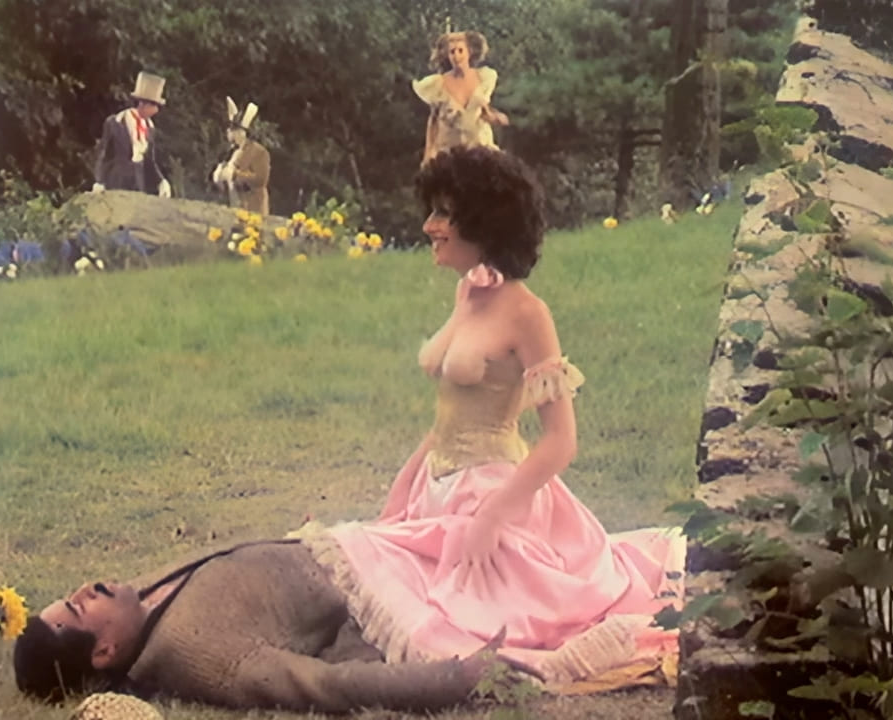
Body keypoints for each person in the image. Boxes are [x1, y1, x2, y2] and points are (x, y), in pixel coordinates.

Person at [289, 145, 687, 689]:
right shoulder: (467, 293)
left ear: (483, 222)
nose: (429, 226)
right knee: (367, 561)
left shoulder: (528, 313)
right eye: (431, 211)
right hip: (438, 484)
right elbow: (449, 417)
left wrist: (492, 517)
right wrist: (405, 484)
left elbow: (561, 440)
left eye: (443, 214)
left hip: (493, 492)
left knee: (455, 628)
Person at [12, 539, 530, 711]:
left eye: (71, 595)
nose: (86, 588)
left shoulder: (138, 602)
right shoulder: (194, 653)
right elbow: (323, 684)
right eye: (78, 608)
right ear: (105, 652)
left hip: (365, 541)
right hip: (390, 582)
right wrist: (454, 678)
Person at [412, 31, 509, 167]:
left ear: (469, 52)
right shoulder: (438, 85)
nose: (457, 56)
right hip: (451, 153)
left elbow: (485, 111)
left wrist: (495, 117)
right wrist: (429, 153)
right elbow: (433, 120)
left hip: (479, 149)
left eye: (460, 51)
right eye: (452, 52)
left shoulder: (483, 78)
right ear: (448, 56)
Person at [92, 72, 172, 197]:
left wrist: (161, 181)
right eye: (154, 106)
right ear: (143, 104)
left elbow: (149, 162)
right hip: (116, 183)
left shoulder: (150, 128)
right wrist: (99, 181)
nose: (156, 111)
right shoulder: (116, 122)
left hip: (137, 186)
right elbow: (105, 154)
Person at [211, 97, 271, 215]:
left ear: (241, 132)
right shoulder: (230, 151)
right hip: (232, 206)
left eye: (233, 130)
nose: (229, 132)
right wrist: (219, 176)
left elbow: (260, 180)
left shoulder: (259, 152)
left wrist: (235, 175)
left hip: (252, 209)